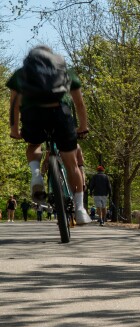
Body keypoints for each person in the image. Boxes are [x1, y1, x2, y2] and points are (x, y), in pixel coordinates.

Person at [7, 46, 91, 225]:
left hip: (33, 114)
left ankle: (36, 175)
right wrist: (83, 127)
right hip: (61, 114)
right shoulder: (64, 71)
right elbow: (80, 105)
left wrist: (14, 130)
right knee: (72, 164)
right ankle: (80, 209)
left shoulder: (21, 73)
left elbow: (14, 105)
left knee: (34, 145)